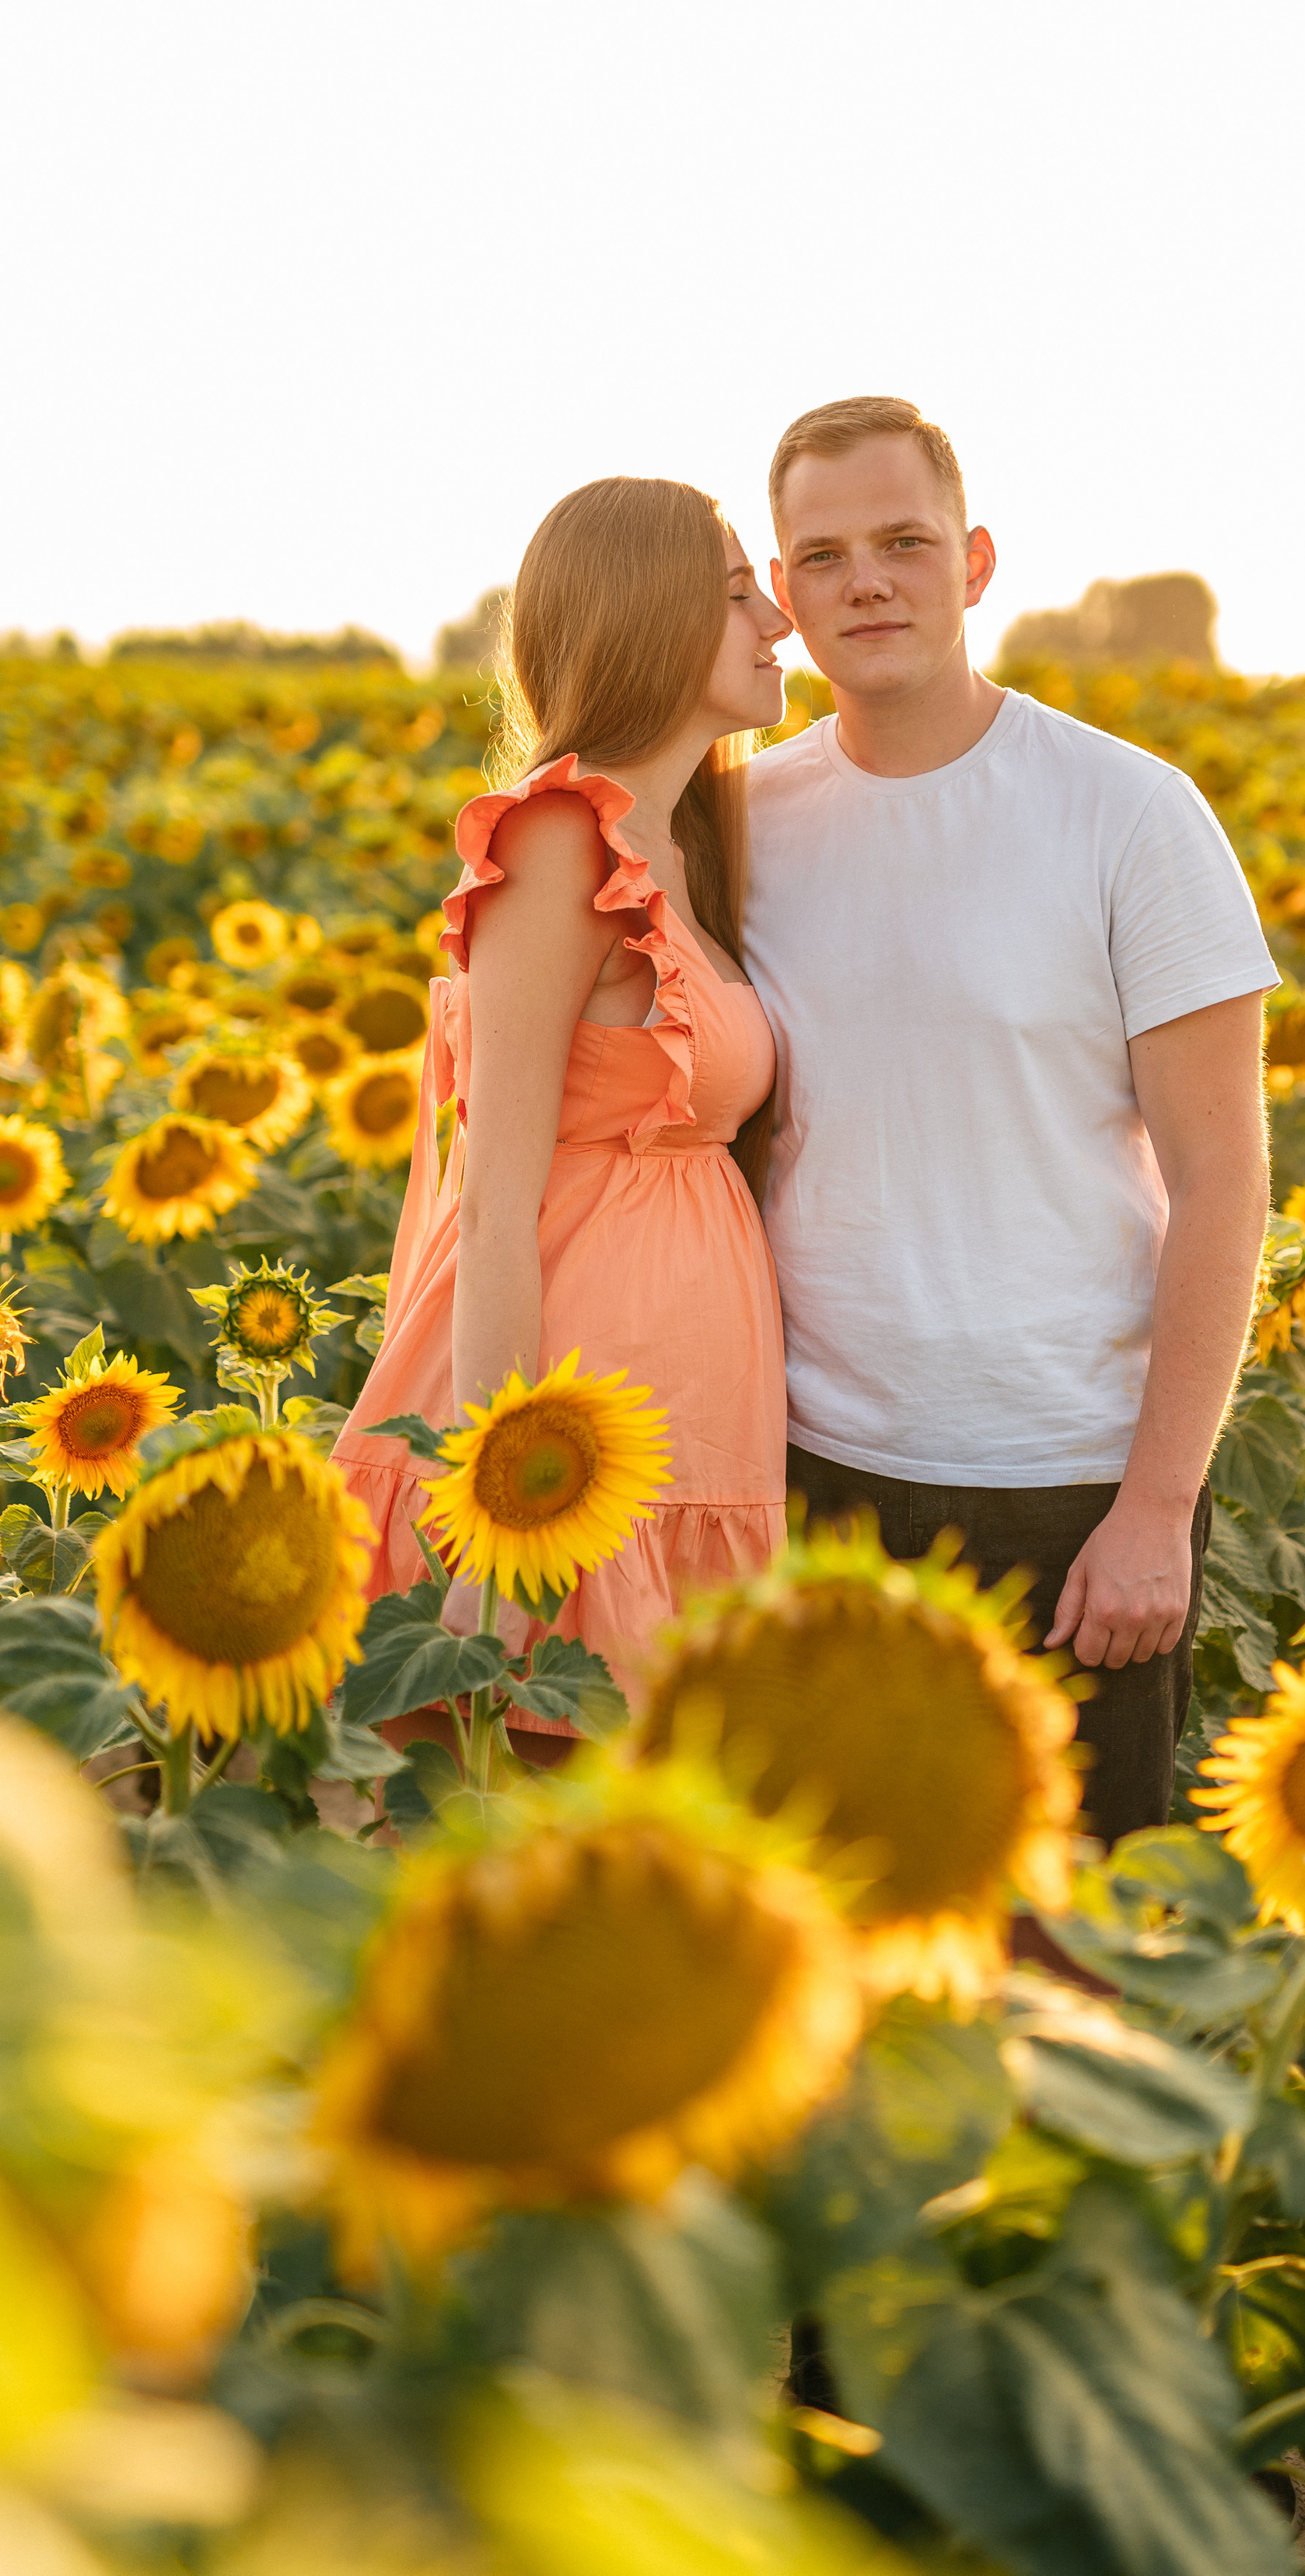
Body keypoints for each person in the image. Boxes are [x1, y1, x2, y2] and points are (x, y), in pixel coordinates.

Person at [743, 397, 1277, 1843]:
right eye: (825, 554)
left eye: (904, 541)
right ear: (784, 596)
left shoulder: (1129, 813)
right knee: (844, 1947)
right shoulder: (741, 825)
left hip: (1069, 1486)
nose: (868, 581)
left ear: (974, 562)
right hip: (817, 1479)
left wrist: (1159, 1508)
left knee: (1072, 1964)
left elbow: (1224, 1180)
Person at [334, 477, 792, 1749]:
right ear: (646, 617)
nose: (781, 621)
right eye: (741, 592)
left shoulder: (694, 843)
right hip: (564, 1437)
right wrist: (499, 1510)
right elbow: (493, 1197)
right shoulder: (559, 843)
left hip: (694, 1431)